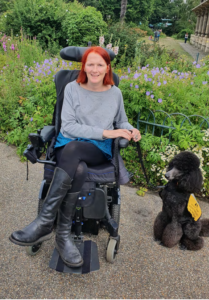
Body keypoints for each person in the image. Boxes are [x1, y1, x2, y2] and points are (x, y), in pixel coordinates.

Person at [9, 46, 141, 268]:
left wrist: (131, 129)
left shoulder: (115, 92)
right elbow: (68, 127)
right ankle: (62, 236)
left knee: (75, 153)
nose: (95, 69)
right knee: (77, 165)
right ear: (84, 66)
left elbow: (121, 121)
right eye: (90, 64)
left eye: (100, 64)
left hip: (97, 150)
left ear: (107, 67)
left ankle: (44, 222)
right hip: (68, 144)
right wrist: (107, 133)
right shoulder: (71, 87)